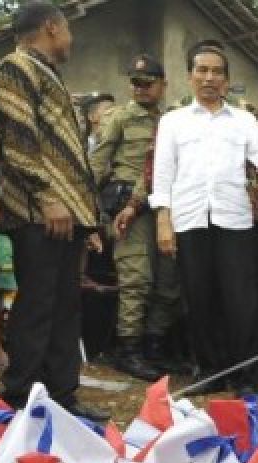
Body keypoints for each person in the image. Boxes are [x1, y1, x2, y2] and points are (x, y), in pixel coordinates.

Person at [0, 2, 104, 420]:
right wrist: (48, 197)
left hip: (66, 211)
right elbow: (19, 141)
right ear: (52, 28)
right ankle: (22, 395)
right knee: (37, 304)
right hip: (40, 210)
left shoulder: (46, 73)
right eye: (68, 29)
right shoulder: (15, 67)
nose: (71, 38)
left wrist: (86, 214)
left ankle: (62, 396)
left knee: (63, 306)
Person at [150, 43, 258, 395]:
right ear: (190, 76)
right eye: (202, 70)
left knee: (241, 300)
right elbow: (163, 176)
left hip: (234, 219)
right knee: (199, 297)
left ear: (226, 80)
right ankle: (210, 372)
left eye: (217, 72)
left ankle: (245, 374)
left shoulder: (243, 119)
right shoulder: (172, 121)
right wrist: (165, 220)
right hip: (190, 219)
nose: (209, 78)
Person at [89, 54, 171, 381]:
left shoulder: (171, 121)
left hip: (164, 205)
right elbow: (97, 165)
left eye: (147, 83)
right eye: (135, 83)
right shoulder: (120, 118)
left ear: (162, 85)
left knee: (169, 284)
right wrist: (90, 214)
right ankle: (129, 351)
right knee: (136, 279)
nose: (140, 89)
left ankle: (154, 346)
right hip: (128, 209)